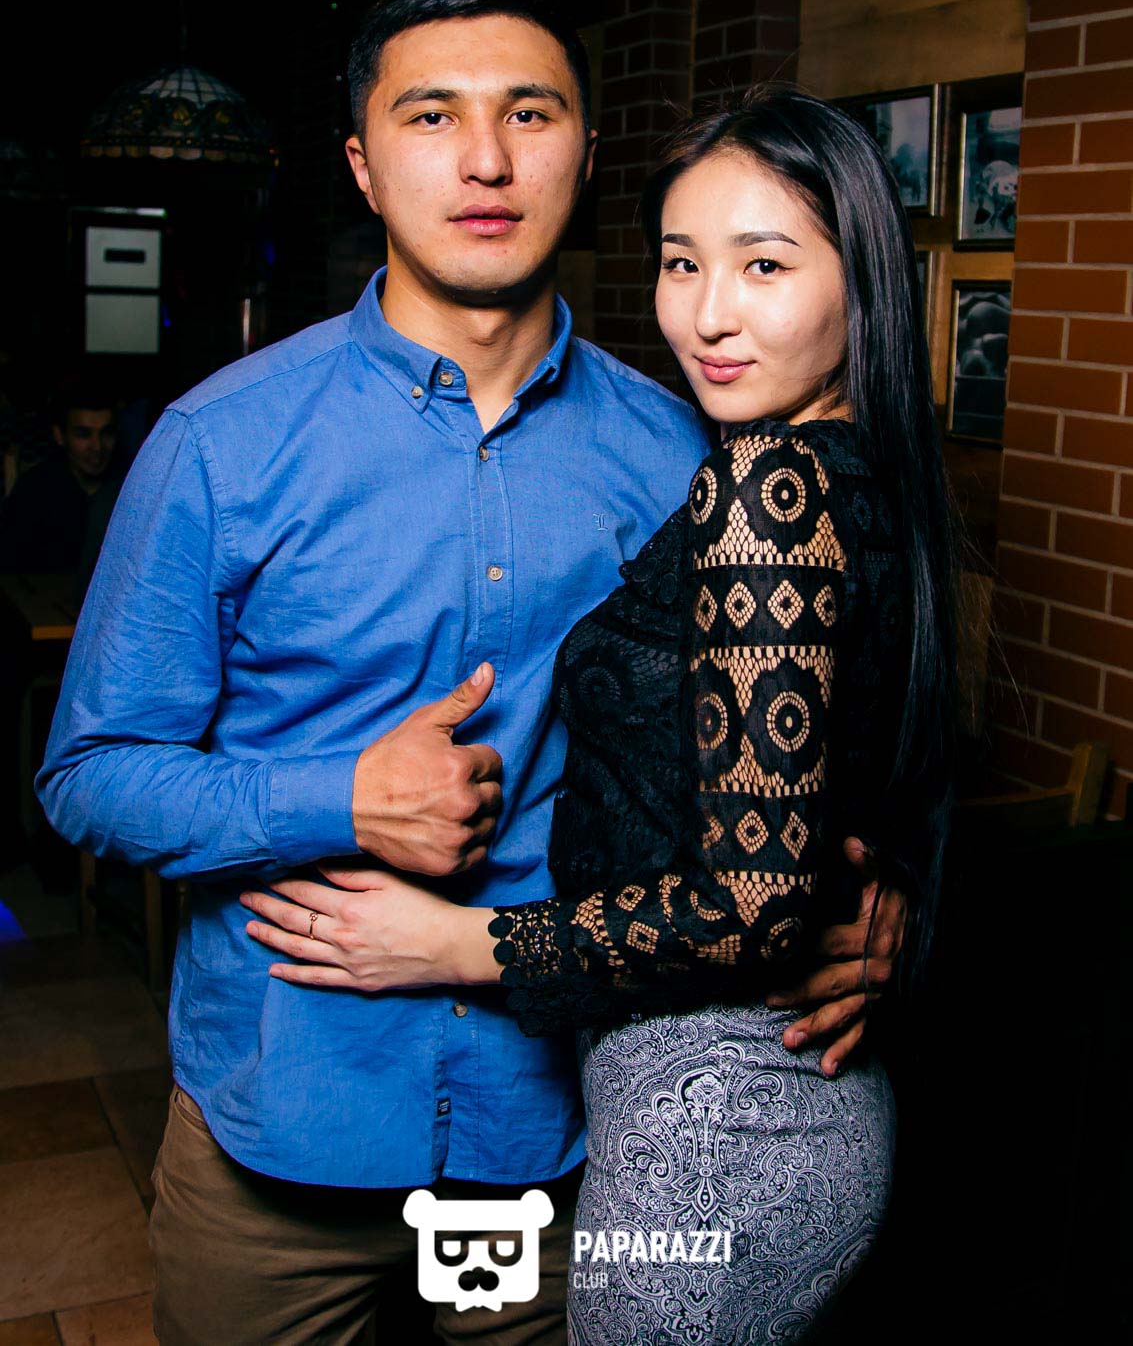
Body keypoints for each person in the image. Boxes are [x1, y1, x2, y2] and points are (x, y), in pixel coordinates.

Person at [39, 0, 902, 1345]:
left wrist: (868, 897)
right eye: (431, 115)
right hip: (286, 1124)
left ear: (586, 151)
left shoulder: (688, 449)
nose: (487, 159)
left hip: (559, 1134)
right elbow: (86, 773)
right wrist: (338, 796)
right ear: (362, 165)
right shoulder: (222, 441)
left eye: (530, 113)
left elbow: (804, 726)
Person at [246, 87, 957, 1341]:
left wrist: (454, 942)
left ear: (863, 282)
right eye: (681, 262)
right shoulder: (857, 472)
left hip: (715, 1119)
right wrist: (881, 881)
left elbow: (752, 904)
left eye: (764, 263)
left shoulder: (767, 485)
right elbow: (831, 787)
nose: (708, 312)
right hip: (766, 1104)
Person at [0, 395, 119, 577]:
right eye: (83, 434)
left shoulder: (130, 488)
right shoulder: (34, 491)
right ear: (60, 435)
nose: (97, 447)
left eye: (106, 433)